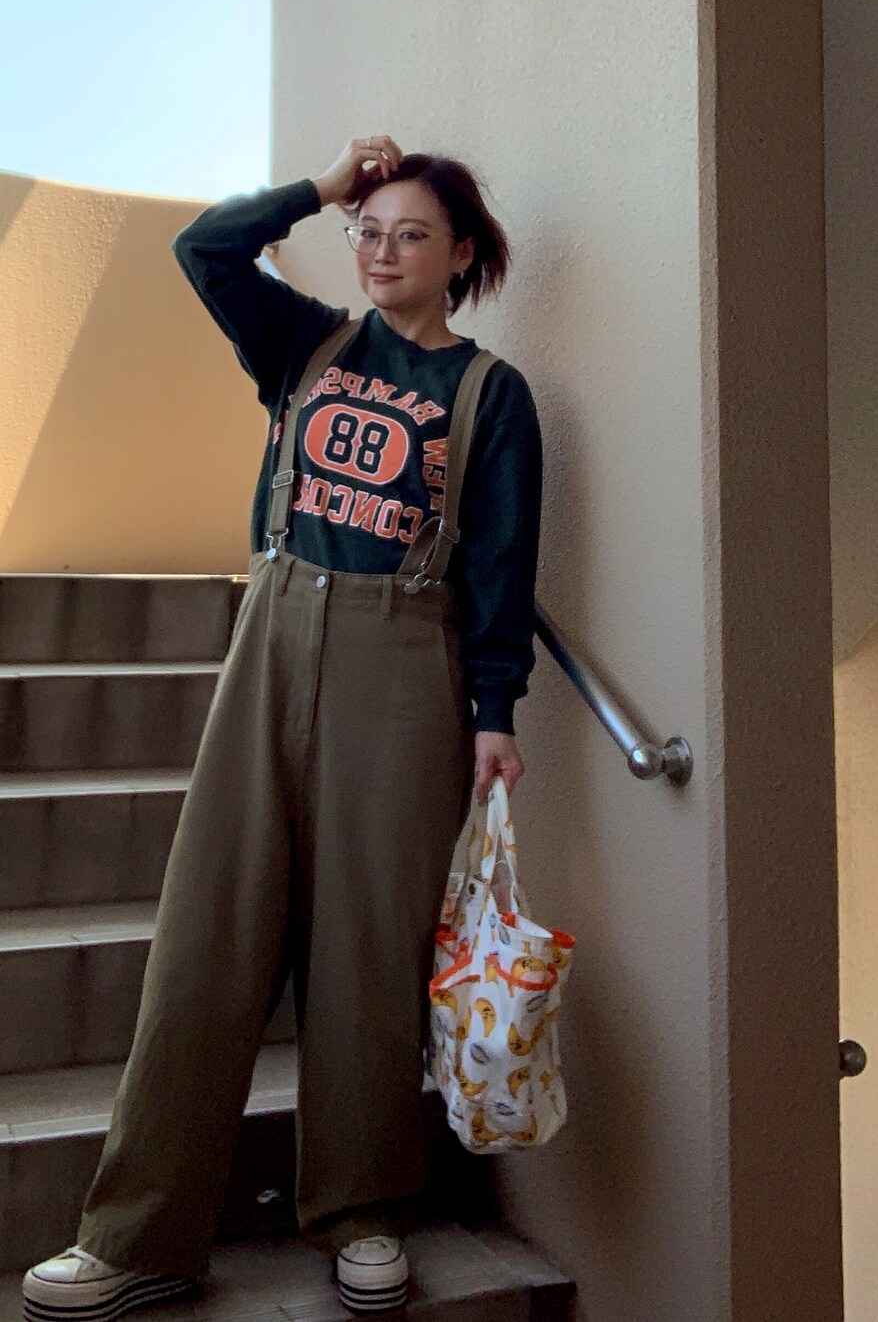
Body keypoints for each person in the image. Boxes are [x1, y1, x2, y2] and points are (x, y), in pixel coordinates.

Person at [22, 134, 543, 1321]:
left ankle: (363, 1211)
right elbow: (202, 249)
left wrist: (495, 713)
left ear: (462, 255)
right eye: (369, 230)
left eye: (410, 234)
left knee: (369, 945)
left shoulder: (488, 393)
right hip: (273, 629)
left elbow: (502, 567)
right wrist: (319, 187)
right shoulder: (304, 341)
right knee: (208, 927)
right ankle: (137, 1232)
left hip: (404, 656)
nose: (381, 252)